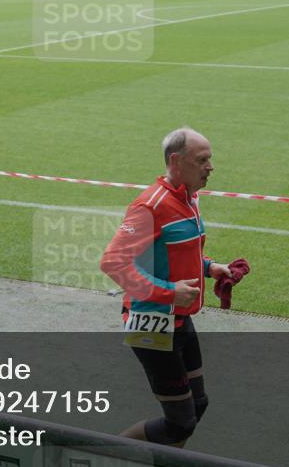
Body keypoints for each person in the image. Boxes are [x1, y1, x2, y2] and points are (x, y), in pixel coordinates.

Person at [99, 127, 249, 448]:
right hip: (151, 323)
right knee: (180, 423)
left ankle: (161, 464)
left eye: (210, 159)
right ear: (176, 161)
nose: (211, 167)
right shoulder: (149, 207)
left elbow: (180, 251)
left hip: (179, 318)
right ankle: (107, 456)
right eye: (202, 160)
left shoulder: (189, 198)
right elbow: (112, 262)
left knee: (197, 406)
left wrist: (210, 268)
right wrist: (169, 292)